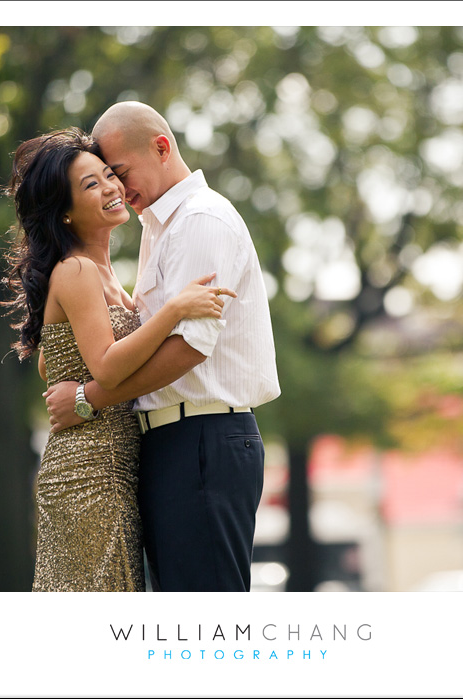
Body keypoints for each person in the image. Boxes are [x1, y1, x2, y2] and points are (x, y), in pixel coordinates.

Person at [44, 102, 281, 592]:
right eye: (103, 177)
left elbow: (191, 348)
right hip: (169, 443)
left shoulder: (199, 220)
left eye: (120, 171)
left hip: (202, 436)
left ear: (161, 147)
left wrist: (90, 398)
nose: (117, 187)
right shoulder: (156, 227)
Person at [0, 127, 235, 591]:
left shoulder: (106, 276)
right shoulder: (78, 270)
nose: (112, 188)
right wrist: (175, 309)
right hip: (89, 474)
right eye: (91, 184)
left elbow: (57, 364)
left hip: (118, 468)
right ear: (64, 213)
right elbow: (107, 365)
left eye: (110, 174)